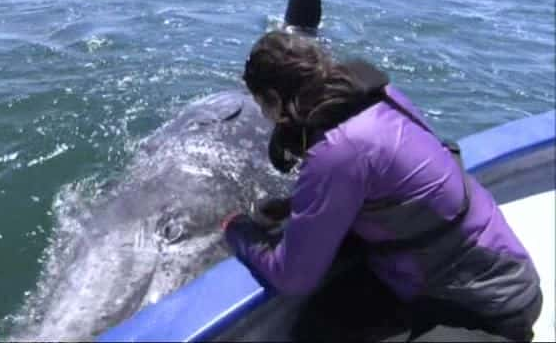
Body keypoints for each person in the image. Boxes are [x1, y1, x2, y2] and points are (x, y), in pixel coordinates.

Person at [221, 30, 542, 342]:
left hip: (486, 308)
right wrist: (297, 205)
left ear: (275, 100)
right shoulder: (380, 98)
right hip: (486, 272)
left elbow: (293, 278)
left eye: (262, 105)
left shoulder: (338, 150)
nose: (265, 116)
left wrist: (239, 231)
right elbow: (391, 181)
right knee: (319, 324)